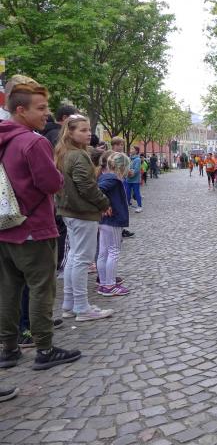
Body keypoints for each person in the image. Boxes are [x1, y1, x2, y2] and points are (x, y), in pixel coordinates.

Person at [0, 82, 81, 370]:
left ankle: (9, 348)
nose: (47, 114)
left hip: (5, 226)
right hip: (34, 227)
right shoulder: (33, 142)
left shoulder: (4, 139)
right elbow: (51, 183)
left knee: (8, 290)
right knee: (41, 289)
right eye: (41, 108)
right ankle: (44, 349)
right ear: (21, 110)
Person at [55, 115, 114, 322]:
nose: (89, 133)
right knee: (81, 259)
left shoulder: (64, 153)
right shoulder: (77, 155)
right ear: (70, 132)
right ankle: (81, 307)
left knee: (74, 257)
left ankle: (70, 304)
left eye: (89, 129)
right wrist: (104, 203)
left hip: (70, 212)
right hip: (82, 213)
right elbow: (87, 187)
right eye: (83, 130)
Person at [97, 151, 132, 297]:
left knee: (103, 252)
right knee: (113, 251)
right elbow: (98, 191)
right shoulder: (113, 179)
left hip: (104, 221)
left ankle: (104, 282)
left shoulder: (105, 176)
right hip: (113, 220)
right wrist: (105, 205)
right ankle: (110, 285)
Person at [126, 146, 143, 213]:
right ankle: (128, 204)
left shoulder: (138, 159)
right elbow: (126, 167)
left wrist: (130, 172)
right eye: (131, 149)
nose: (131, 150)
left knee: (136, 193)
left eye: (132, 149)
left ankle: (139, 206)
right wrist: (127, 171)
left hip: (135, 180)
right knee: (127, 192)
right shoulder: (129, 158)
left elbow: (136, 169)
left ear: (136, 151)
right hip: (128, 179)